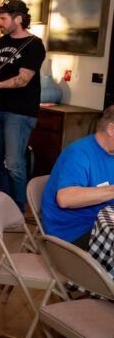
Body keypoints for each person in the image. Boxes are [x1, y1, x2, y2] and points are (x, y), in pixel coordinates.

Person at [0, 0, 47, 212]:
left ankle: (17, 208)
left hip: (20, 113)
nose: (0, 23)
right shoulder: (3, 41)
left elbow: (23, 79)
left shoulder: (34, 45)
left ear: (19, 19)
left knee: (14, 164)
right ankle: (0, 205)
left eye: (3, 18)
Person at [40, 105, 114, 248]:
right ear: (111, 129)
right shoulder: (79, 153)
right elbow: (65, 198)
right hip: (70, 234)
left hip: (98, 223)